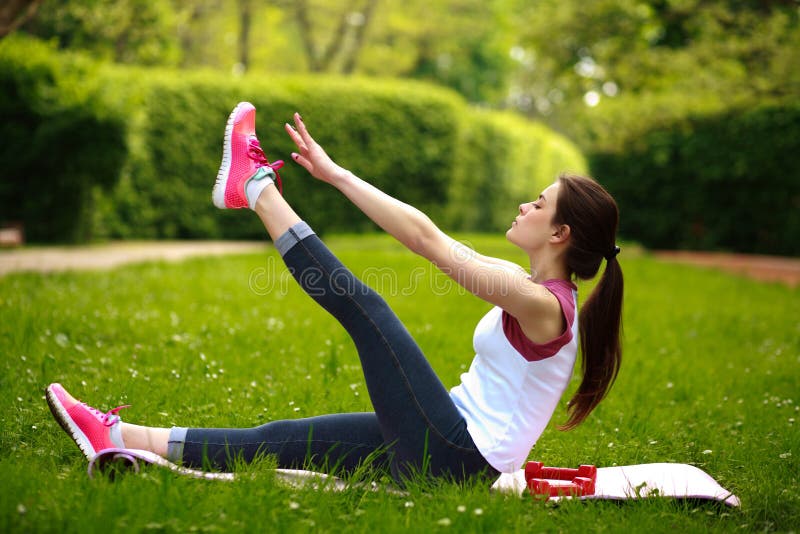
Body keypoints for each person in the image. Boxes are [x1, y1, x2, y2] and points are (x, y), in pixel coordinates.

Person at [46, 102, 623, 485]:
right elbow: (432, 235)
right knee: (279, 442)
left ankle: (256, 189)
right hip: (444, 440)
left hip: (457, 457)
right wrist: (338, 174)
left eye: (539, 203)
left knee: (367, 308)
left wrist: (335, 176)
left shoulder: (549, 309)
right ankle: (117, 438)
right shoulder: (527, 288)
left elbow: (430, 244)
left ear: (560, 233)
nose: (526, 204)